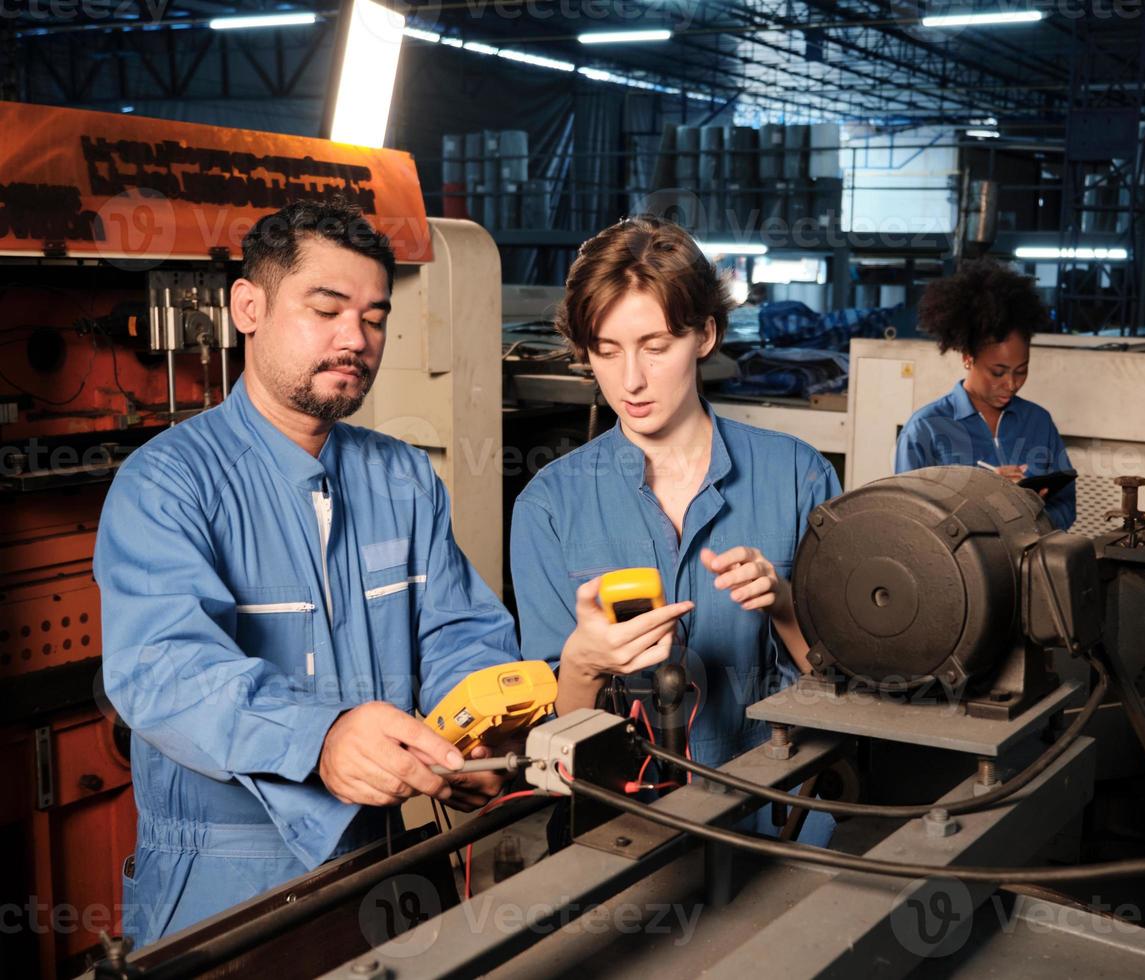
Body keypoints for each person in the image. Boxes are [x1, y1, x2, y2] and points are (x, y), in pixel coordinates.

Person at [96, 200, 518, 946]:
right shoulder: (167, 483)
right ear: (248, 307)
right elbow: (164, 667)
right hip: (227, 880)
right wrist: (320, 737)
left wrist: (476, 727)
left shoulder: (402, 476)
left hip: (387, 854)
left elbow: (459, 629)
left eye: (375, 317)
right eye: (326, 309)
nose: (355, 338)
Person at [509, 216, 839, 838]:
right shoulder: (548, 507)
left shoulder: (798, 476)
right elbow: (548, 747)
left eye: (656, 347)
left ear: (705, 334)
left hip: (778, 826)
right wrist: (582, 664)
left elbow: (847, 695)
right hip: (622, 831)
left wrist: (786, 605)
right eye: (607, 352)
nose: (630, 380)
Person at [895, 259, 1076, 530]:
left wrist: (1031, 511)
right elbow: (910, 522)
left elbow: (1065, 507)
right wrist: (986, 499)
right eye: (998, 372)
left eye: (1021, 371)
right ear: (968, 359)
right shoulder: (926, 429)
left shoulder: (1038, 422)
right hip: (957, 571)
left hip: (1027, 565)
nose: (1012, 384)